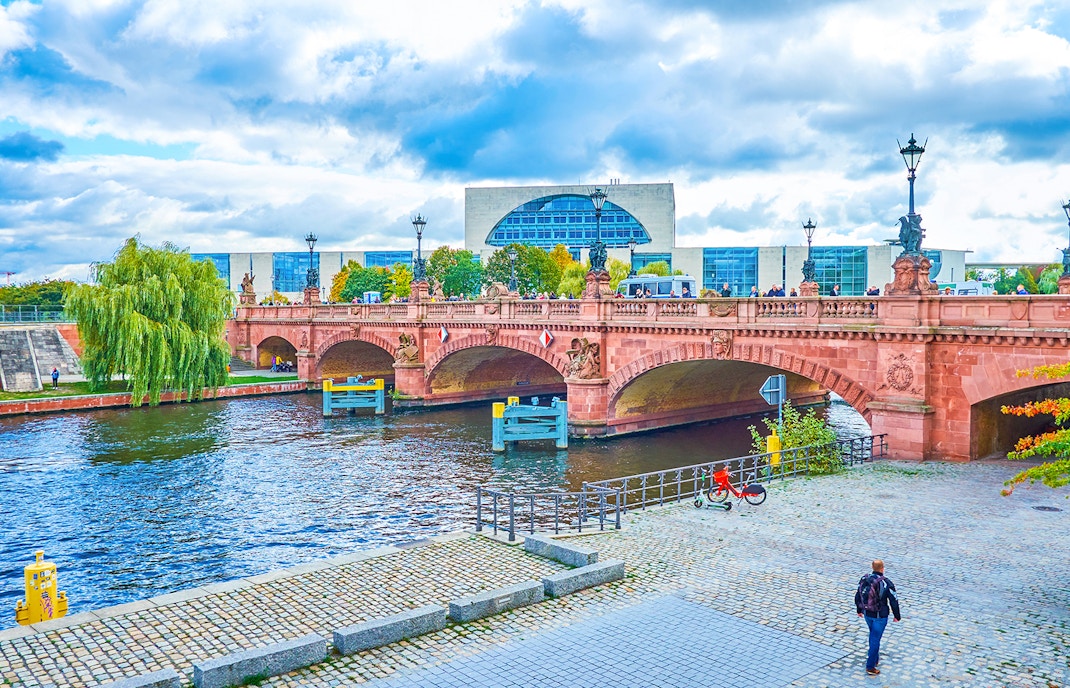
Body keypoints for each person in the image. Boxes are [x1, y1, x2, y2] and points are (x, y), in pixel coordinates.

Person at [855, 559, 901, 676]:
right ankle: (870, 666)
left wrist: (859, 609)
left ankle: (875, 658)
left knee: (873, 635)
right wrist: (897, 616)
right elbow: (893, 600)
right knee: (875, 638)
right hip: (880, 616)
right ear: (882, 569)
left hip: (867, 613)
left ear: (872, 567)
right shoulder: (886, 582)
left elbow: (858, 594)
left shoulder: (865, 578)